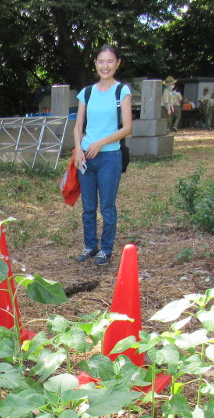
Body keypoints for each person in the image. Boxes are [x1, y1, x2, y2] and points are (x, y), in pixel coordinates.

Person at [71, 45, 132, 267]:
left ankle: (106, 249)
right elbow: (78, 126)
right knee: (88, 207)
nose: (105, 66)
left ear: (117, 63)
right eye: (101, 61)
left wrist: (101, 142)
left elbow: (127, 128)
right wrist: (78, 149)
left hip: (109, 157)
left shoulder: (121, 91)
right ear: (95, 63)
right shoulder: (86, 93)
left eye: (110, 61)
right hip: (86, 157)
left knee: (107, 207)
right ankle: (90, 246)